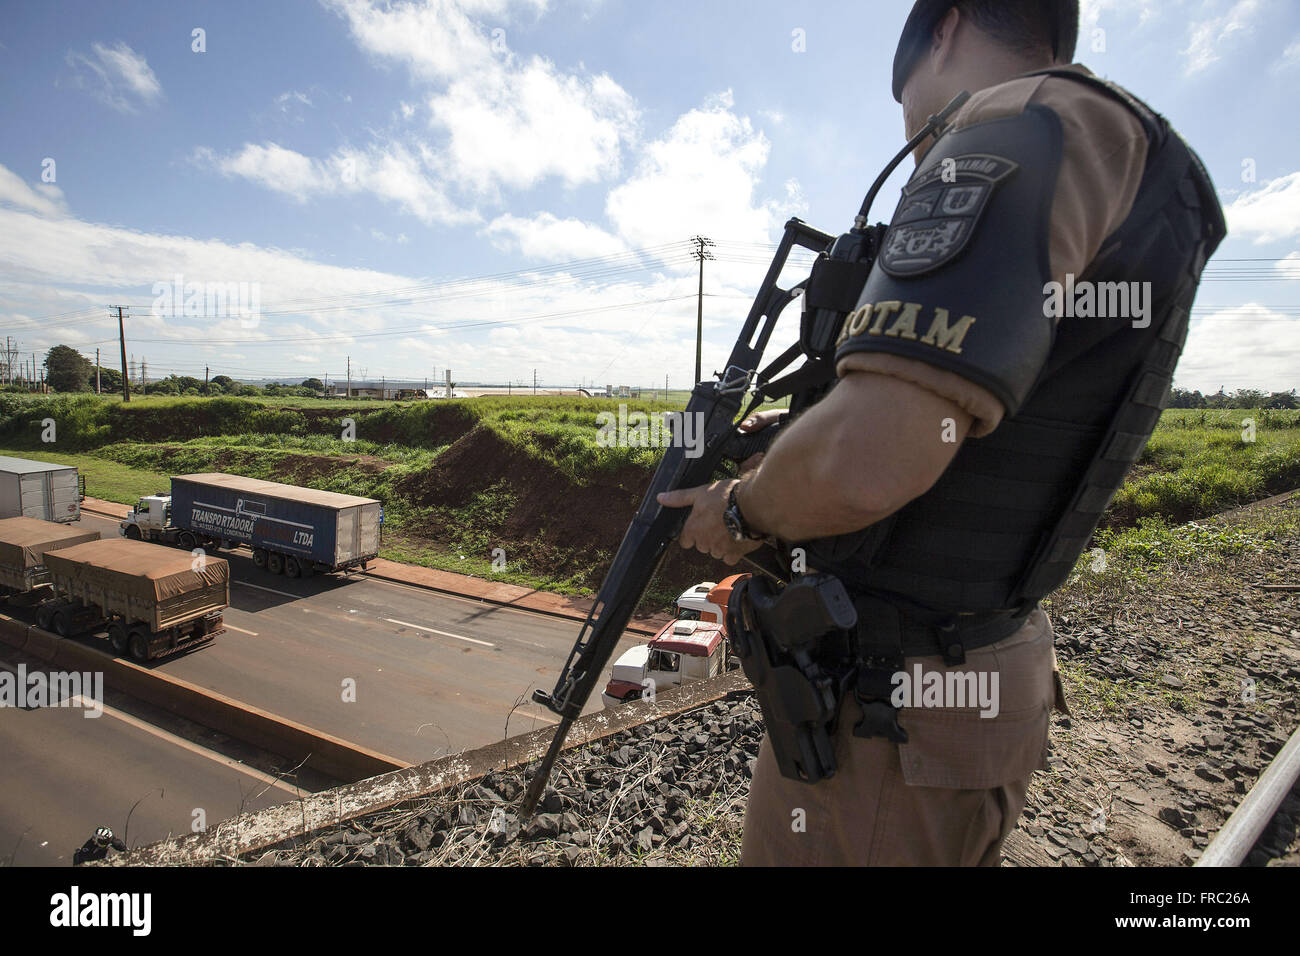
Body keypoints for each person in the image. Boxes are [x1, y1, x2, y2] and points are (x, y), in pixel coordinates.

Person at [657, 0, 1225, 865]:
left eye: (908, 110)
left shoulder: (1022, 119)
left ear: (945, 28)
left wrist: (738, 512)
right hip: (955, 684)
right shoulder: (1114, 151)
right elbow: (976, 419)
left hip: (893, 721)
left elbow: (867, 459)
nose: (919, 141)